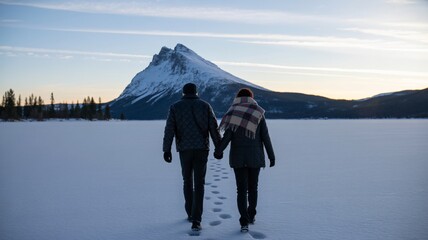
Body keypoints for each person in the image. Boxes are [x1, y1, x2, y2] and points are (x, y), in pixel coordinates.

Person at [214, 88, 275, 232]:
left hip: (238, 157)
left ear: (238, 98)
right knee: (253, 188)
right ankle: (251, 215)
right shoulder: (258, 113)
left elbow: (228, 136)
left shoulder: (233, 112)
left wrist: (218, 151)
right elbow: (265, 136)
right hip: (255, 157)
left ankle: (243, 221)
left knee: (241, 190)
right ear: (251, 98)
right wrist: (271, 156)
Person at [163, 83, 222, 231]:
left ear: (183, 93)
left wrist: (166, 150)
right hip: (202, 149)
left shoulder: (175, 107)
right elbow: (213, 128)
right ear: (196, 92)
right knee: (200, 183)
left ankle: (190, 213)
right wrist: (219, 148)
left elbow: (169, 129)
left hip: (184, 149)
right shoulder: (205, 105)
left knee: (187, 181)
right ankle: (197, 219)